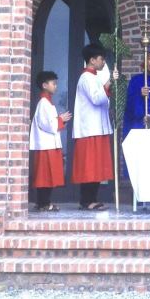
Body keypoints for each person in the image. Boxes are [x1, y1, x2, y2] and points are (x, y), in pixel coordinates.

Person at [72, 44, 113, 210]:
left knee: (96, 165)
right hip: (89, 128)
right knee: (89, 166)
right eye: (101, 59)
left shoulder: (94, 77)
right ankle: (86, 200)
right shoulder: (86, 78)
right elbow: (96, 99)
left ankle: (92, 199)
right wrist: (108, 84)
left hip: (97, 126)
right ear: (92, 60)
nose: (103, 62)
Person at [29, 71, 71, 211]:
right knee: (44, 176)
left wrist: (59, 120)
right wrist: (60, 119)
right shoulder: (43, 103)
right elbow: (46, 124)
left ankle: (44, 202)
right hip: (45, 145)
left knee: (48, 175)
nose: (56, 86)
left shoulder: (47, 102)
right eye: (53, 83)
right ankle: (43, 203)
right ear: (44, 85)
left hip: (49, 144)